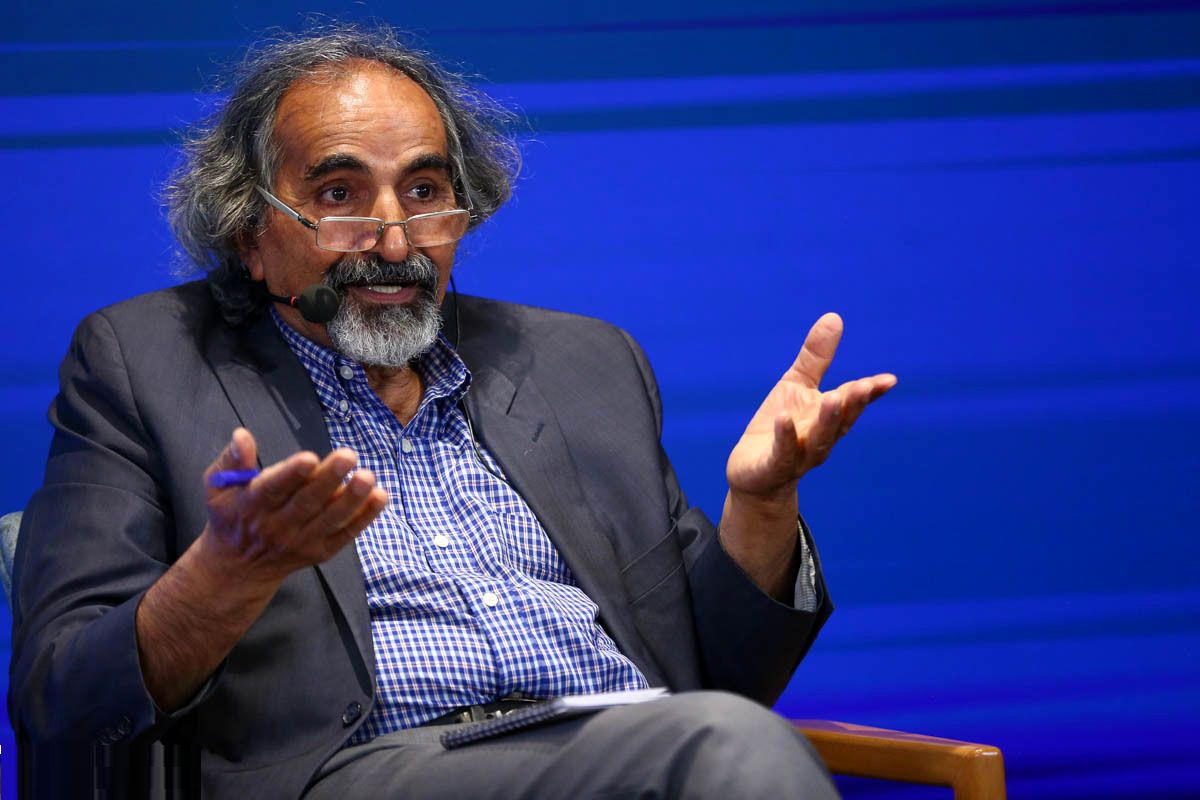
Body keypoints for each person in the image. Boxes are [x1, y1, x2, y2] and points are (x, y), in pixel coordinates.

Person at [9, 24, 895, 800]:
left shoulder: (579, 364)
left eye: (425, 192)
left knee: (724, 743)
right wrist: (229, 573)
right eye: (339, 195)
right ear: (251, 233)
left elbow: (720, 681)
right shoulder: (144, 364)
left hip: (624, 749)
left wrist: (762, 505)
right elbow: (62, 699)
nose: (394, 240)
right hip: (361, 771)